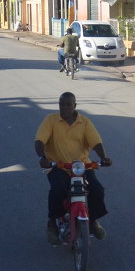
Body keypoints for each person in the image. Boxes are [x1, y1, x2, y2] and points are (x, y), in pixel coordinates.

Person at [33, 91, 111, 244]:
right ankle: (52, 223)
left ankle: (93, 221)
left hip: (82, 166)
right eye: (62, 104)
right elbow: (39, 141)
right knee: (58, 190)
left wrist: (103, 158)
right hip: (58, 166)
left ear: (75, 106)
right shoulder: (51, 120)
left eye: (68, 104)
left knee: (97, 190)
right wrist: (42, 157)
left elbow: (96, 142)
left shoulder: (85, 122)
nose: (64, 107)